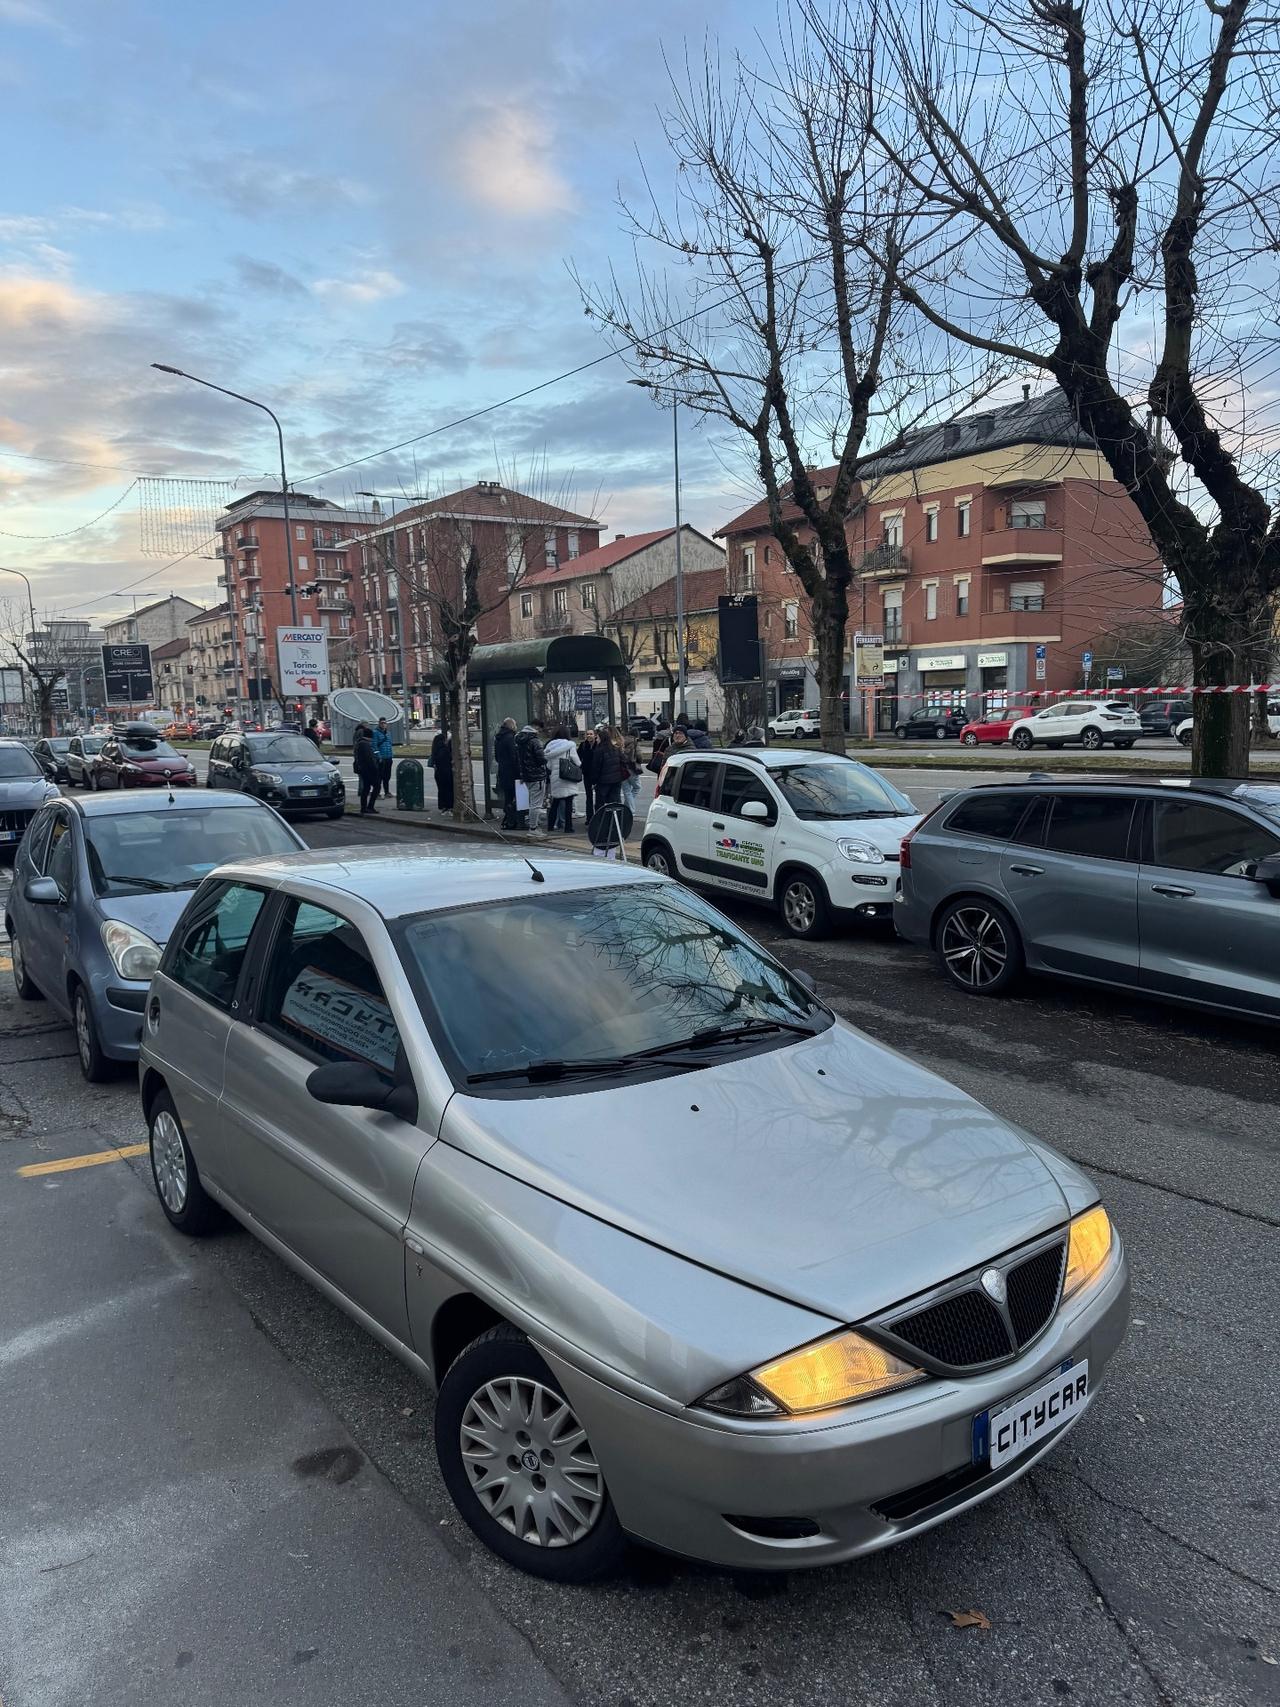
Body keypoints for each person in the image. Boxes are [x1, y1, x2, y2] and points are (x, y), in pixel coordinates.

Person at [544, 724, 580, 834]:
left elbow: (549, 765)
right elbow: (577, 761)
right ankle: (568, 827)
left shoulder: (550, 746)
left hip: (555, 777)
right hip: (567, 776)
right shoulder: (570, 745)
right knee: (569, 803)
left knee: (555, 802)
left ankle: (550, 825)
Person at [515, 721, 549, 834]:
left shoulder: (519, 740)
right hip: (537, 775)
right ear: (535, 728)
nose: (539, 732)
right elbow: (541, 759)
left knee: (531, 802)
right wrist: (546, 755)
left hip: (526, 775)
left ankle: (532, 825)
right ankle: (533, 828)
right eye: (539, 729)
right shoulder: (535, 741)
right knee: (536, 804)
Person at [494, 717, 520, 829]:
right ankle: (512, 820)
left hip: (503, 770)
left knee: (508, 796)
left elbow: (497, 757)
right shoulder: (511, 738)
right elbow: (514, 756)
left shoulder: (498, 738)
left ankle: (508, 817)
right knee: (515, 796)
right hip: (512, 772)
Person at [353, 723, 381, 815]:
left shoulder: (359, 743)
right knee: (376, 786)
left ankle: (364, 808)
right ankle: (369, 806)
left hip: (363, 770)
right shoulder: (365, 745)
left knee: (366, 788)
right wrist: (375, 768)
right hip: (369, 770)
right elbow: (369, 759)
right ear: (369, 737)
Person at [429, 723, 454, 812]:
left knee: (441, 789)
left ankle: (442, 805)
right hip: (446, 772)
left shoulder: (435, 750)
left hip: (439, 773)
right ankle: (448, 805)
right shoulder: (444, 750)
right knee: (448, 789)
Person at [576, 727, 598, 822]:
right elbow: (578, 757)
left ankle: (598, 816)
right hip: (587, 774)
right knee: (589, 796)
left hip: (597, 774)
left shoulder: (598, 745)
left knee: (599, 797)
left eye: (591, 734)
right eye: (587, 734)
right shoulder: (583, 745)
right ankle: (589, 818)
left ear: (595, 735)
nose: (589, 736)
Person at [372, 716, 394, 798]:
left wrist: (391, 755)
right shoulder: (375, 732)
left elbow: (389, 744)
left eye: (385, 723)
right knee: (379, 776)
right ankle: (377, 793)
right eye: (382, 723)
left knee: (387, 776)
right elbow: (374, 745)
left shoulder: (388, 733)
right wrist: (378, 756)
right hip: (381, 758)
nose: (384, 724)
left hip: (388, 757)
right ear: (379, 723)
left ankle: (387, 792)